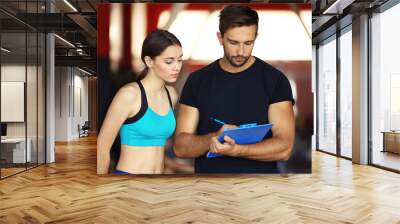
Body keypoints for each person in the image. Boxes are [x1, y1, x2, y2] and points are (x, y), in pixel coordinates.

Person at [173, 4, 295, 173]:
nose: (241, 51)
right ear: (219, 38)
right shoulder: (197, 81)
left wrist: (237, 150)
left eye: (248, 43)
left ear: (256, 37)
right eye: (233, 42)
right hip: (209, 190)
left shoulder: (275, 80)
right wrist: (213, 138)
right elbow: (180, 147)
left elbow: (284, 148)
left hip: (261, 190)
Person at [97, 29, 183, 174]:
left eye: (180, 60)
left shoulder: (171, 94)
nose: (177, 67)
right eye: (169, 61)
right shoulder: (129, 95)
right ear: (149, 61)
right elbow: (102, 147)